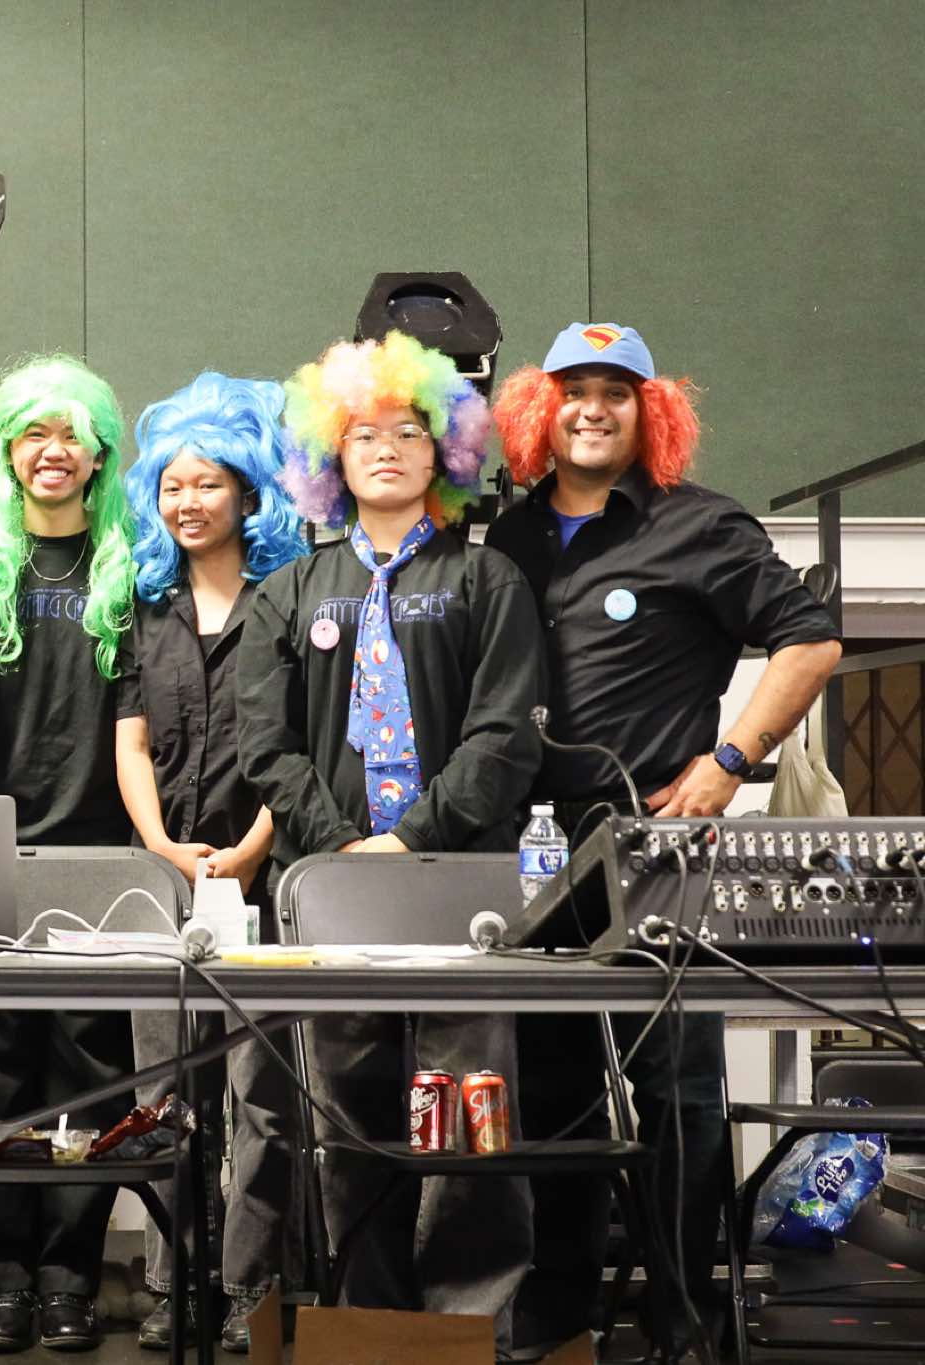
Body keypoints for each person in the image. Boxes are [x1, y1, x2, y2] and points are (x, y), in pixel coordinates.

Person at [487, 323, 842, 1357]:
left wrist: (728, 762)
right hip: (531, 853)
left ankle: (686, 1316)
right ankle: (558, 1307)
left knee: (676, 1093)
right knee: (550, 1093)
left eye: (617, 391)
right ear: (541, 410)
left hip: (660, 853)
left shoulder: (700, 524)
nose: (592, 408)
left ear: (652, 413)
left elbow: (811, 640)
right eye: (573, 390)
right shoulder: (509, 536)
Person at [235, 332, 544, 1350]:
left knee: (471, 1118)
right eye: (362, 434)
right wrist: (340, 849)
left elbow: (504, 735)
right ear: (332, 456)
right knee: (349, 1122)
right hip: (333, 895)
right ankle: (369, 1325)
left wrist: (411, 839)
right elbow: (264, 744)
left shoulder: (486, 578)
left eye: (407, 432)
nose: (384, 449)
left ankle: (471, 1329)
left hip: (463, 891)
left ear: (443, 453)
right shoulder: (287, 590)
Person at [0, 354, 136, 1354]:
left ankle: (69, 1279)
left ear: (98, 455)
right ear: (7, 451)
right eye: (33, 433)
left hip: (99, 859)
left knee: (90, 1080)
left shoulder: (129, 570)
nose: (52, 452)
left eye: (71, 435)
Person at [116, 372, 308, 1352]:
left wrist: (249, 850)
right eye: (171, 486)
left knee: (260, 1098)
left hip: (263, 879)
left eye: (207, 483)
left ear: (246, 490)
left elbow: (299, 743)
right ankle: (168, 1280)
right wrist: (159, 844)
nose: (187, 502)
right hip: (163, 879)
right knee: (163, 1095)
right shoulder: (144, 606)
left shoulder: (290, 599)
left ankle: (247, 1288)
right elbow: (130, 740)